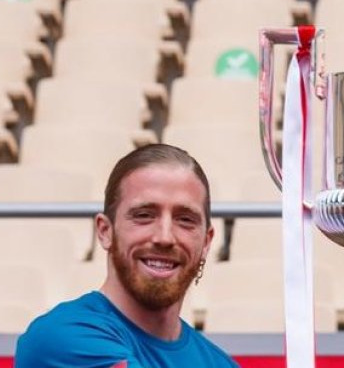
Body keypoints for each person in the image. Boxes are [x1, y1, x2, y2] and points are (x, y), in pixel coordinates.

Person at [16, 144, 238, 367]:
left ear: (207, 242)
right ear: (105, 231)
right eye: (144, 215)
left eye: (185, 220)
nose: (165, 237)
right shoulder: (61, 338)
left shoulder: (220, 363)